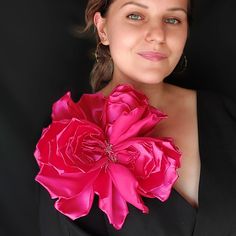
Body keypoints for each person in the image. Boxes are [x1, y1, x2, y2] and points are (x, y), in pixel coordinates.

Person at [36, 0, 236, 235]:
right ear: (103, 29)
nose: (157, 35)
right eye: (135, 16)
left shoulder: (225, 116)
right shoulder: (64, 138)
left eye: (173, 20)